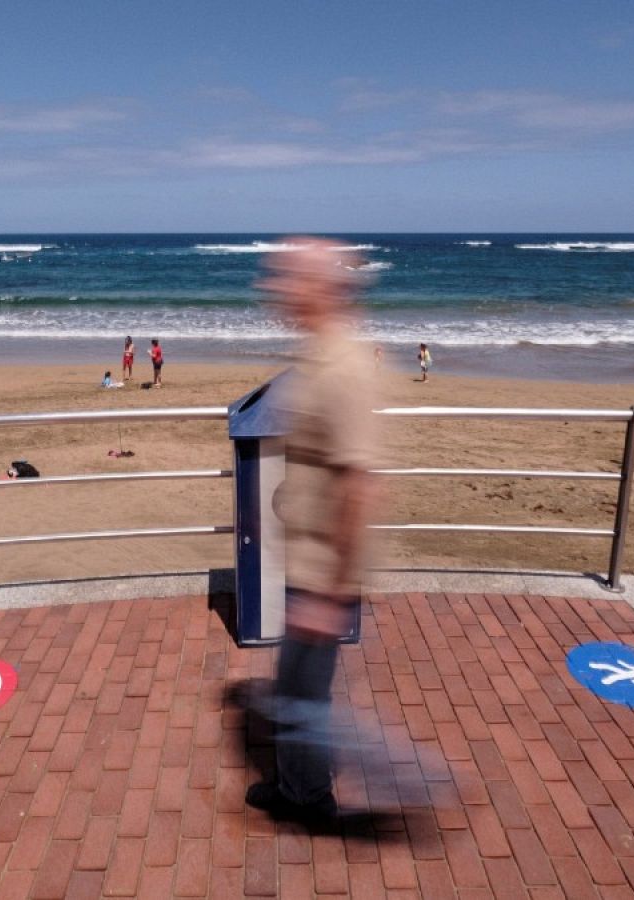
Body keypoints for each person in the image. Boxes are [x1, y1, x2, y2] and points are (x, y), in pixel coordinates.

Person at [246, 237, 380, 827]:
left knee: (304, 695)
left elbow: (361, 485)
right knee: (297, 692)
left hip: (322, 574)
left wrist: (331, 595)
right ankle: (299, 786)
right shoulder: (318, 355)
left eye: (285, 278)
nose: (272, 288)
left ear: (322, 288)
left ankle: (312, 802)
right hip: (305, 565)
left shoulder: (345, 367)